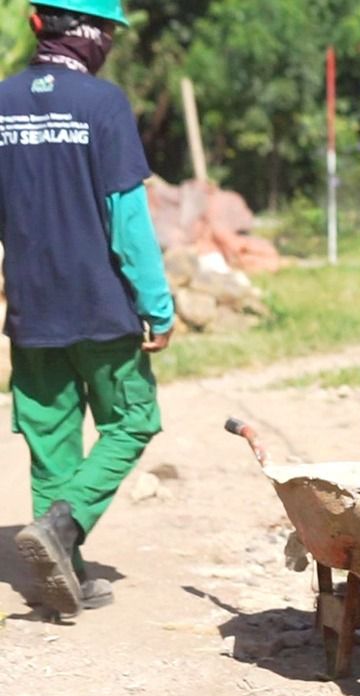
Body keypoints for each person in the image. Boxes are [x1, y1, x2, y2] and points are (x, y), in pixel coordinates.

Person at [1, 0, 173, 617]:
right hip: (103, 309)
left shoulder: (1, 103)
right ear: (96, 38)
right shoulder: (104, 106)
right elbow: (127, 219)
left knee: (51, 439)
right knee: (132, 422)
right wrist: (158, 304)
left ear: (35, 24)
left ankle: (64, 572)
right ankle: (64, 524)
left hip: (31, 312)